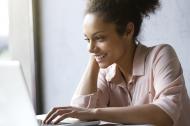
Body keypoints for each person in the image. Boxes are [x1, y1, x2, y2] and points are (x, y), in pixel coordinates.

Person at [43, 0, 190, 125]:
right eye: (87, 40)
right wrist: (95, 55)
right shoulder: (106, 73)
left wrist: (97, 112)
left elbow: (166, 113)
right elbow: (81, 115)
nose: (90, 48)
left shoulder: (160, 55)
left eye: (100, 38)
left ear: (128, 30)